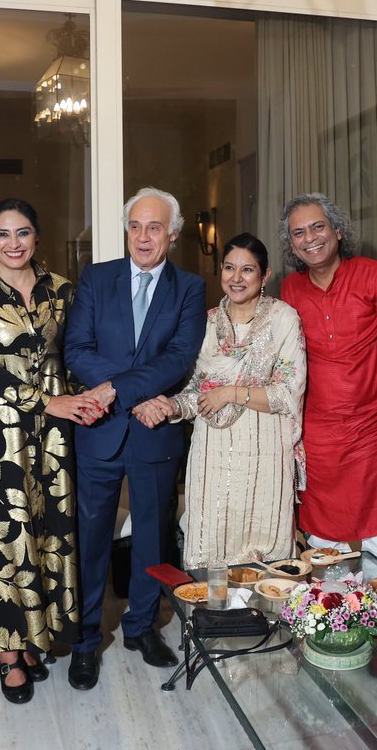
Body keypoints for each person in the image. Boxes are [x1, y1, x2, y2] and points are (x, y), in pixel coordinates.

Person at [0, 198, 104, 705]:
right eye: (2, 234)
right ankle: (9, 654)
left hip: (52, 436)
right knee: (6, 539)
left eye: (22, 233)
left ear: (37, 237)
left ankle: (36, 636)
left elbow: (75, 351)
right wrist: (48, 400)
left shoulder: (61, 290)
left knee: (46, 533)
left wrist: (92, 398)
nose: (13, 243)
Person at [63, 187, 206, 690]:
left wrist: (118, 389)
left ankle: (141, 627)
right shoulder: (97, 278)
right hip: (99, 429)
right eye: (136, 226)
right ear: (127, 231)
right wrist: (125, 394)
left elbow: (179, 358)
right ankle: (84, 641)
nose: (144, 236)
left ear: (172, 233)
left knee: (152, 537)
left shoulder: (189, 287)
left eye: (155, 227)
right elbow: (77, 349)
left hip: (154, 431)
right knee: (91, 537)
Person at [144, 232, 307, 567]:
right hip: (213, 454)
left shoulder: (282, 319)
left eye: (247, 270)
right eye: (229, 268)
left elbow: (289, 392)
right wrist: (172, 406)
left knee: (265, 547)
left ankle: (264, 618)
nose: (236, 278)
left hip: (265, 451)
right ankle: (210, 619)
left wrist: (230, 393)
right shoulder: (205, 324)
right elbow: (194, 392)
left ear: (265, 275)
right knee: (211, 541)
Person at [278, 193, 377, 571]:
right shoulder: (289, 290)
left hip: (373, 429)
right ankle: (331, 622)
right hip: (316, 436)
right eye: (299, 233)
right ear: (292, 244)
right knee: (322, 542)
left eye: (318, 227)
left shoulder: (376, 276)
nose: (310, 238)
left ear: (338, 231)